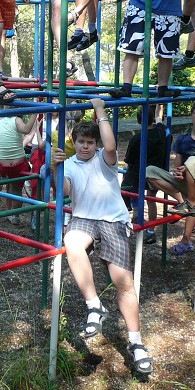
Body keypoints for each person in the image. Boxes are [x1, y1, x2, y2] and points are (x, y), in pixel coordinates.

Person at [52, 98, 153, 375]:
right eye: (81, 142)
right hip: (84, 218)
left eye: (90, 142)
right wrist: (55, 168)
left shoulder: (104, 160)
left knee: (124, 283)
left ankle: (136, 343)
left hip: (113, 220)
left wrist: (100, 110)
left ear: (95, 144)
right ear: (74, 142)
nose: (85, 146)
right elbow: (63, 191)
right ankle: (94, 305)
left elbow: (110, 146)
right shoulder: (69, 164)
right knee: (72, 242)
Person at [145, 100, 195, 255]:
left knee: (192, 161)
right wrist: (180, 173)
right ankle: (185, 203)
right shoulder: (183, 139)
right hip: (186, 185)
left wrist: (190, 170)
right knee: (150, 171)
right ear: (192, 115)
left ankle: (187, 233)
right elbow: (177, 168)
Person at [120, 106, 167, 244]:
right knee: (151, 200)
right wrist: (160, 104)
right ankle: (151, 231)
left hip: (139, 175)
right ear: (153, 120)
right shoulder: (161, 131)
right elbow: (159, 117)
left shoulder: (137, 138)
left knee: (126, 186)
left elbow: (129, 159)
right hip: (156, 174)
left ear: (138, 121)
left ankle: (133, 210)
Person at [0, 114, 39, 224]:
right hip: (18, 164)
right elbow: (26, 130)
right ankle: (15, 216)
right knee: (17, 191)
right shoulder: (16, 119)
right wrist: (34, 114)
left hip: (2, 162)